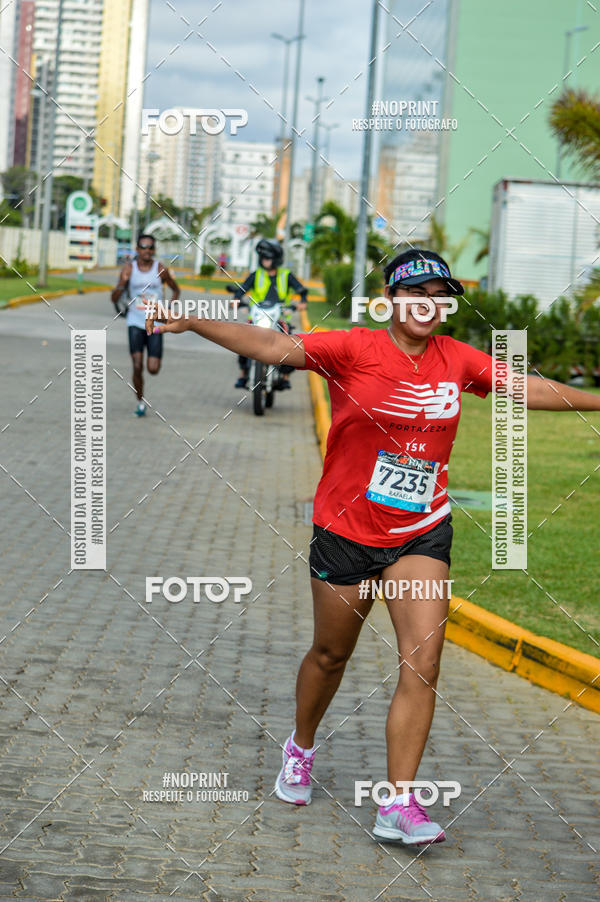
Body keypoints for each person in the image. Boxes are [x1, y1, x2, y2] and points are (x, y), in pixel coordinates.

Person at [145, 247, 600, 845]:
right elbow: (273, 348)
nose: (428, 307)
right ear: (391, 298)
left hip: (421, 531)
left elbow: (523, 388)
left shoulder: (458, 360)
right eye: (416, 294)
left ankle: (399, 803)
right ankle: (301, 745)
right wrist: (192, 321)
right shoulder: (354, 349)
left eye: (440, 299)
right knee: (331, 656)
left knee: (424, 660)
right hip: (346, 532)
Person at [111, 233, 180, 416]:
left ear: (154, 250)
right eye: (143, 247)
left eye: (150, 247)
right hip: (134, 322)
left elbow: (176, 289)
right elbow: (114, 298)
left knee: (153, 368)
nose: (147, 251)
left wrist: (168, 308)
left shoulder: (160, 269)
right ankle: (140, 401)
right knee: (137, 364)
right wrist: (122, 283)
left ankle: (143, 393)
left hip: (156, 323)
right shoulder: (128, 269)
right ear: (137, 249)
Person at [232, 238, 308, 390]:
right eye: (263, 258)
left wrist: (301, 303)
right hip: (257, 317)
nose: (265, 261)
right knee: (242, 341)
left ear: (276, 259)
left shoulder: (286, 275)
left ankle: (285, 377)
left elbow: (301, 291)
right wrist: (236, 300)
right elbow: (241, 290)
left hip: (279, 318)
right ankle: (243, 374)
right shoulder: (256, 275)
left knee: (290, 344)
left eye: (268, 258)